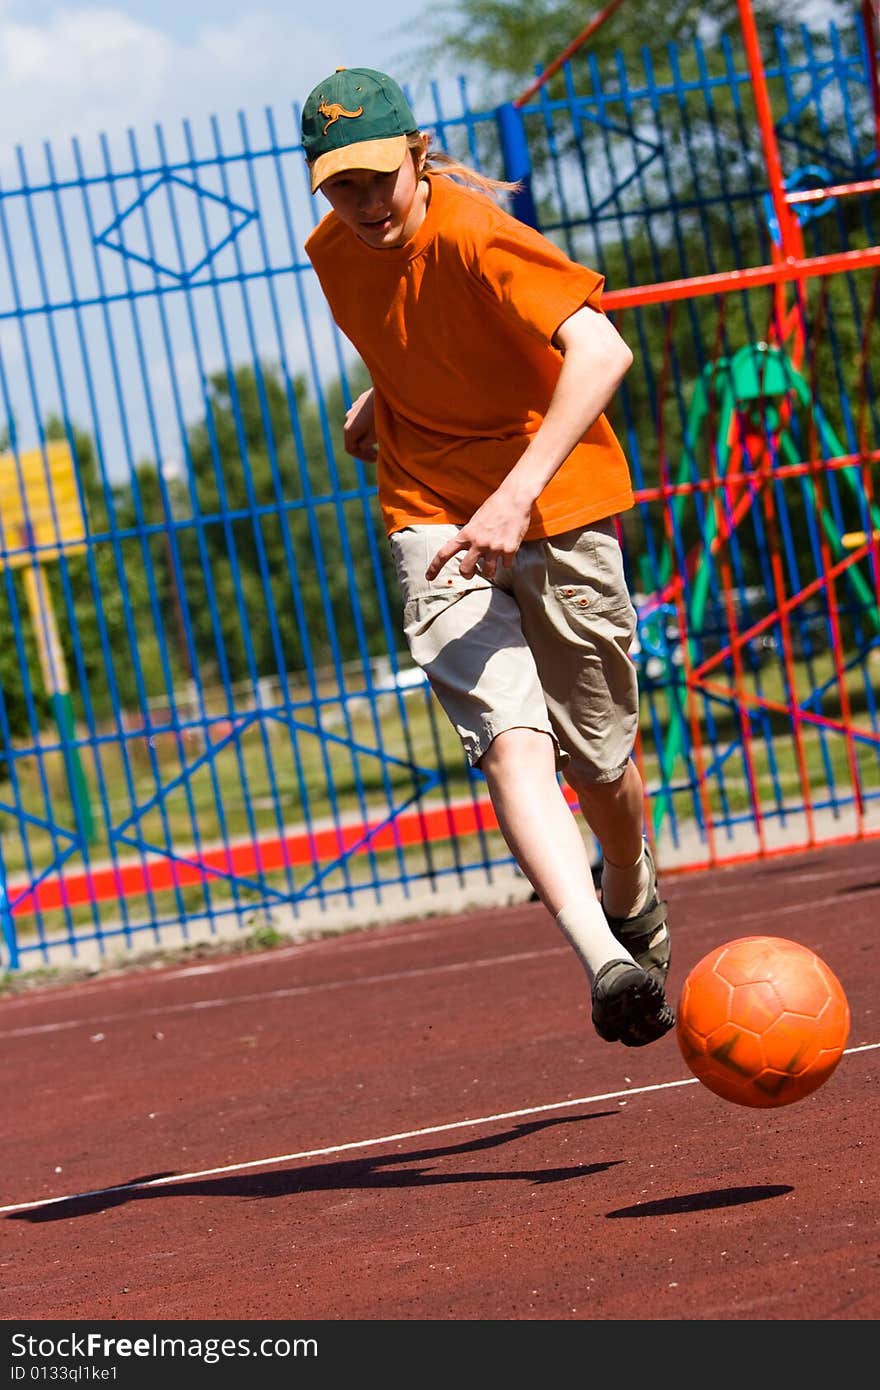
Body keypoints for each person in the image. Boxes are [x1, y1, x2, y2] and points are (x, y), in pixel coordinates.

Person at [300, 66, 674, 1047]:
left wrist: (513, 498)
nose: (366, 202)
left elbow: (600, 352)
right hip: (427, 514)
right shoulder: (332, 253)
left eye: (380, 177)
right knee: (510, 740)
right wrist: (382, 400)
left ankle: (630, 879)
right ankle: (604, 960)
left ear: (418, 156)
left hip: (554, 503)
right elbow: (416, 328)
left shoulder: (476, 231)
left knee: (600, 763)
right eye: (343, 185)